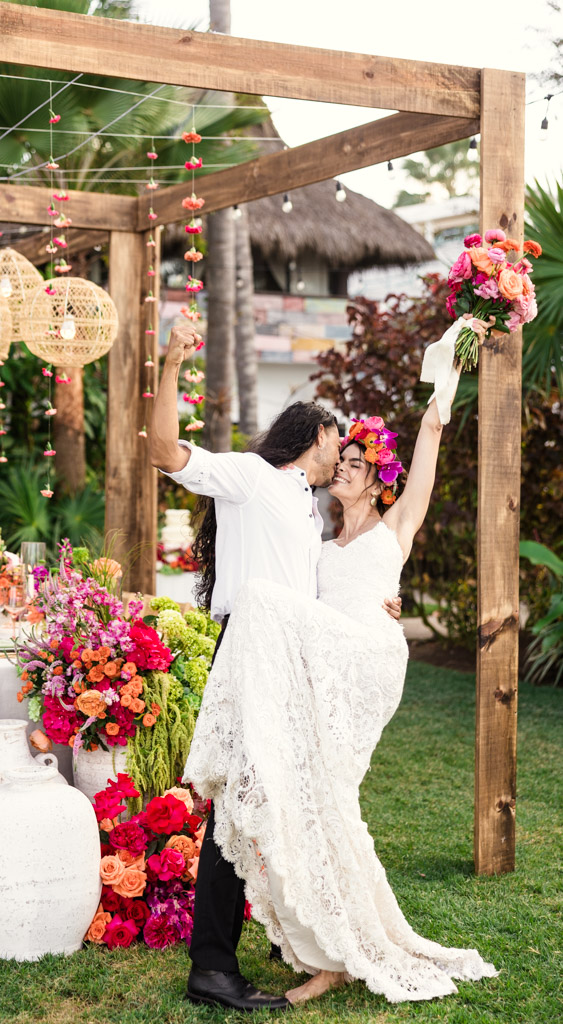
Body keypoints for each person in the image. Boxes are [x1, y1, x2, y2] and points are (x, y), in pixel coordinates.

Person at [184, 315, 499, 1005]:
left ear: (376, 483)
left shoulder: (396, 526)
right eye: (342, 461)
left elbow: (432, 443)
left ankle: (297, 941)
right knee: (319, 797)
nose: (343, 470)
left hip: (367, 661)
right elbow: (306, 613)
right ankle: (320, 940)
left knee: (262, 607)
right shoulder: (315, 549)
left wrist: (449, 362)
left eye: (355, 466)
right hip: (322, 660)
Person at [150, 322, 402, 1012]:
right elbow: (163, 450)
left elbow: (325, 586)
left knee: (282, 801)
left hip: (296, 656)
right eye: (336, 438)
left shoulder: (310, 510)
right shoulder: (251, 476)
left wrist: (376, 601)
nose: (343, 449)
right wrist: (173, 360)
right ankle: (211, 967)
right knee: (239, 800)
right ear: (312, 436)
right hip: (253, 650)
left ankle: (285, 936)